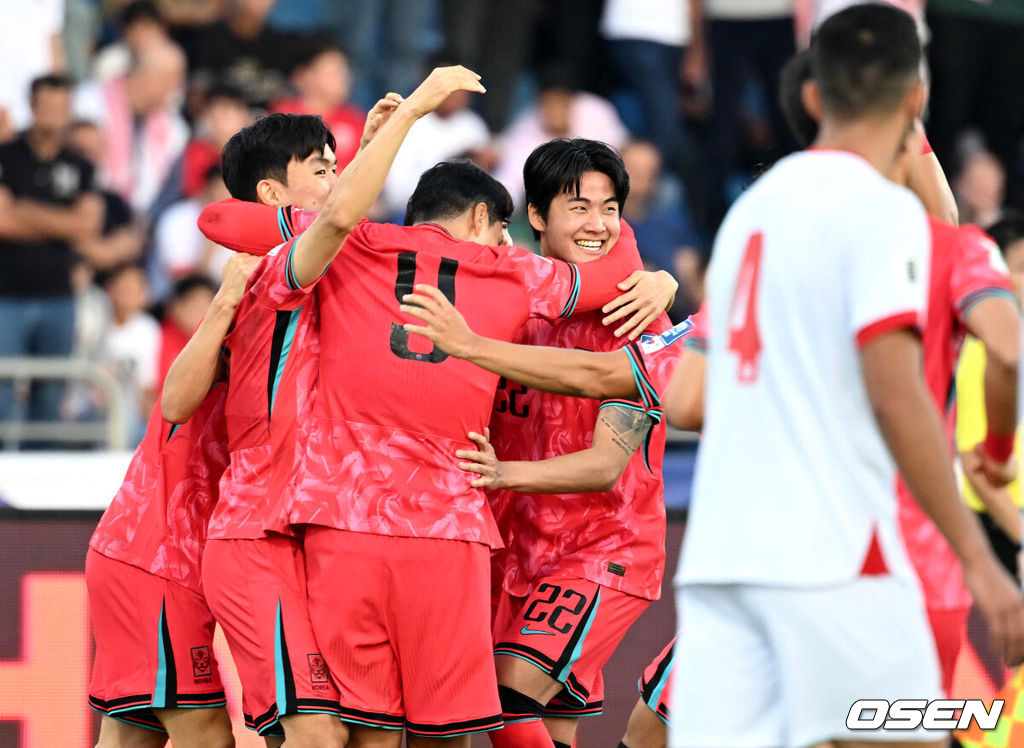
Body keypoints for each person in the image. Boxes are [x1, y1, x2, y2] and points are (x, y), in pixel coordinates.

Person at [402, 6, 1024, 745]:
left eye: (609, 207)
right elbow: (973, 359)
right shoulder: (914, 233)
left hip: (732, 562)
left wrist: (478, 352)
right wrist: (984, 534)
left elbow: (656, 394)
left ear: (814, 100)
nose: (599, 222)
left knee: (635, 730)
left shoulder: (747, 226)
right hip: (862, 560)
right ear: (913, 104)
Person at [195, 89, 678, 748]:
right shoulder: (518, 283)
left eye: (611, 210)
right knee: (459, 726)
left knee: (476, 707)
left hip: (581, 549)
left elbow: (225, 220)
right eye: (580, 208)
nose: (597, 223)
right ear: (515, 218)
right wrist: (643, 264)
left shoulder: (361, 250)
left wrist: (658, 282)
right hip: (469, 539)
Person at [86, 252, 259, 748]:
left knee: (129, 738)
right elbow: (174, 402)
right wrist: (227, 296)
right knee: (207, 737)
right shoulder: (216, 353)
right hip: (156, 560)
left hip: (145, 556)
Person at [0, 74, 102, 433]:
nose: (54, 114)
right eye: (47, 106)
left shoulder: (81, 165)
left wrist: (25, 209)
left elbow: (88, 225)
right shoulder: (6, 156)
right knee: (1, 394)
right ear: (32, 106)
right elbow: (1, 220)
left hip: (59, 295)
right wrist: (62, 221)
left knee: (51, 394)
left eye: (61, 107)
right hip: (6, 294)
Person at [269, 36, 366, 172]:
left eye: (344, 71)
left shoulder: (355, 119)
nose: (343, 78)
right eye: (333, 72)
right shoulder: (283, 118)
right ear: (303, 76)